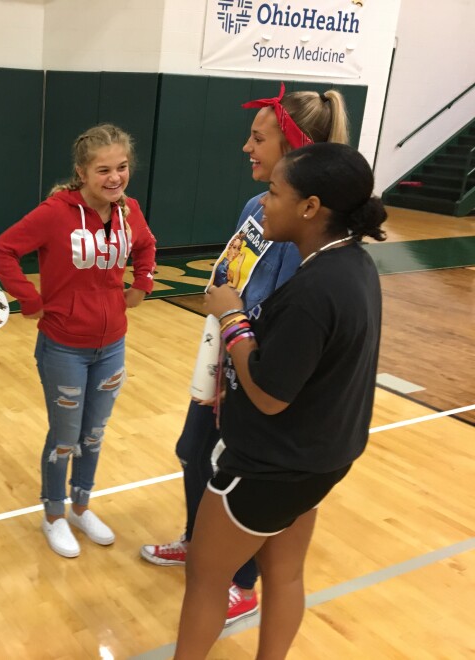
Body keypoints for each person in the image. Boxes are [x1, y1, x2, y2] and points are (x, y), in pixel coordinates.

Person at [141, 83, 350, 626]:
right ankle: (198, 540)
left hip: (253, 367)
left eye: (258, 137)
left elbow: (277, 317)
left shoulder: (305, 234)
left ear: (296, 151)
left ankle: (240, 582)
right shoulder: (253, 208)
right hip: (221, 354)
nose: (246, 147)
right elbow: (235, 280)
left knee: (241, 477)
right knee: (193, 450)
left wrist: (234, 318)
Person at [173, 141, 386, 658]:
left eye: (274, 192)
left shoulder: (315, 291)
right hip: (322, 459)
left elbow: (268, 395)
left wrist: (232, 317)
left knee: (205, 575)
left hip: (269, 465)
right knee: (285, 574)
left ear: (310, 207)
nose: (263, 202)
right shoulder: (355, 267)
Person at [0, 124, 157, 558]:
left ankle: (81, 506)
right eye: (104, 170)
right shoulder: (56, 212)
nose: (115, 178)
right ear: (82, 172)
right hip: (63, 347)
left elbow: (146, 245)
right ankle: (53, 515)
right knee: (65, 437)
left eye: (122, 168)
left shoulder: (129, 211)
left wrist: (143, 283)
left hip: (112, 346)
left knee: (94, 435)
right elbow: (2, 251)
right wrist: (29, 298)